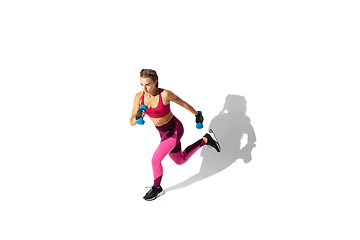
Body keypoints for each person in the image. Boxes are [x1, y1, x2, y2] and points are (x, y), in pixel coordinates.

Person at [130, 69, 221, 201]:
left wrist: (197, 114)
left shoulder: (165, 94)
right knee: (180, 160)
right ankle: (206, 139)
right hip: (163, 133)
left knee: (155, 159)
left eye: (148, 85)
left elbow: (182, 103)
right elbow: (132, 122)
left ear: (155, 82)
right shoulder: (139, 97)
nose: (144, 88)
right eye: (141, 84)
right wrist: (138, 115)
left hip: (174, 129)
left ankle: (157, 188)